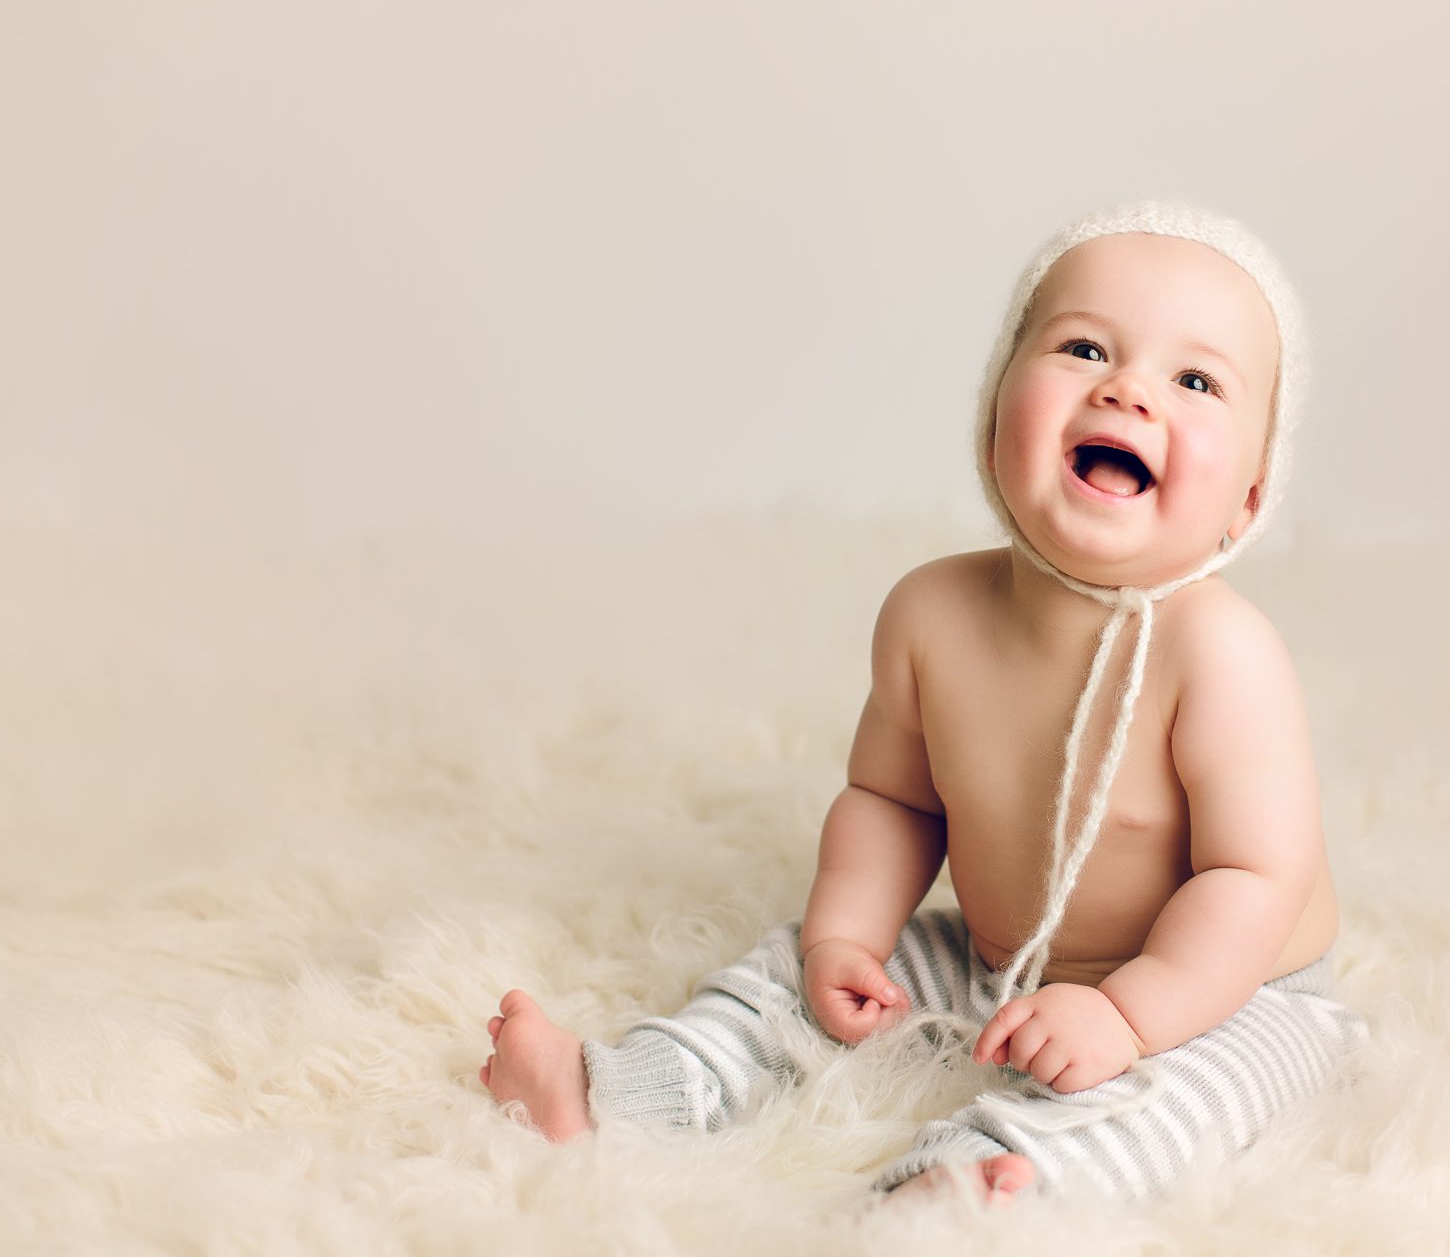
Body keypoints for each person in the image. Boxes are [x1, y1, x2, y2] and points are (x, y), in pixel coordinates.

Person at [477, 198, 1370, 1205]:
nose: (1126, 392)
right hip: (1002, 962)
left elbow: (1255, 879)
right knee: (793, 975)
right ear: (994, 414)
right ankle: (630, 1090)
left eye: (1194, 379)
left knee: (1187, 1095)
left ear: (1249, 498)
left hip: (1231, 990)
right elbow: (892, 802)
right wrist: (843, 937)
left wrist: (1129, 1016)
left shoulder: (1221, 655)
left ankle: (999, 1180)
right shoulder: (931, 613)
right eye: (1082, 348)